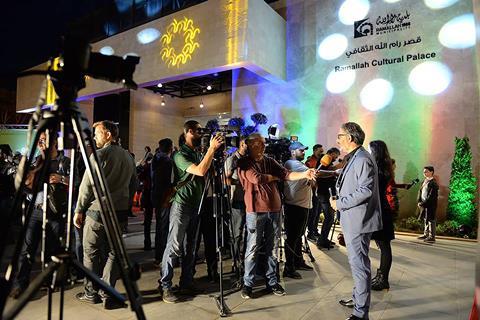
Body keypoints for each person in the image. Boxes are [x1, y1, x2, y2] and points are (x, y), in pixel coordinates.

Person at [237, 133, 316, 299]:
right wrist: (274, 177)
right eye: (260, 143)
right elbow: (256, 178)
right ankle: (248, 283)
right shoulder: (244, 163)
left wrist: (304, 174)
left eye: (264, 143)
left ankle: (272, 281)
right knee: (253, 248)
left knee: (273, 247)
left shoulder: (269, 161)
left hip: (274, 210)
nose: (264, 146)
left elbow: (286, 174)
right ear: (251, 145)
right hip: (255, 211)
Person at [74, 120, 137, 310]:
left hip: (97, 212)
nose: (94, 137)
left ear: (108, 134)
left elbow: (87, 186)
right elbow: (134, 184)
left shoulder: (99, 155)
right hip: (119, 213)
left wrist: (79, 209)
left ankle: (90, 292)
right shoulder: (128, 157)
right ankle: (108, 292)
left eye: (97, 133)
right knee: (114, 253)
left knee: (90, 252)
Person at [159, 120, 223, 304]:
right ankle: (165, 286)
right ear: (187, 132)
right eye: (197, 131)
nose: (200, 134)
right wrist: (211, 149)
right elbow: (201, 171)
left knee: (191, 248)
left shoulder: (197, 153)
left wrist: (213, 153)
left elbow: (210, 172)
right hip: (182, 205)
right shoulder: (180, 155)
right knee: (174, 246)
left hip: (197, 205)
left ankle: (186, 282)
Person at [330, 122, 382, 320]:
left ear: (350, 138)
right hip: (354, 219)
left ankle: (361, 313)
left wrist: (340, 203)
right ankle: (357, 299)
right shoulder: (356, 157)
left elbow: (365, 190)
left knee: (360, 266)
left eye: (340, 135)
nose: (337, 140)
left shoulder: (362, 159)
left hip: (358, 221)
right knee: (358, 265)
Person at [10, 131, 70, 298]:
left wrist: (62, 179)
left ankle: (50, 282)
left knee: (52, 250)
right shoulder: (36, 161)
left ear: (54, 143)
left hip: (55, 212)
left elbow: (77, 182)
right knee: (26, 249)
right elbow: (23, 185)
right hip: (35, 209)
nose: (41, 143)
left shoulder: (64, 162)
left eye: (44, 140)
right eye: (39, 141)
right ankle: (20, 284)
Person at [282, 141, 314, 279]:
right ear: (293, 152)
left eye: (304, 150)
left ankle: (298, 261)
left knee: (298, 236)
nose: (304, 152)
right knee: (292, 237)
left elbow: (312, 180)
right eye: (301, 150)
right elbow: (313, 174)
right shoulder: (291, 163)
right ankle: (289, 268)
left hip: (301, 205)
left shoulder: (300, 165)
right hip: (294, 206)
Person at [368, 140, 395, 291]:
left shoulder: (378, 169)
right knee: (383, 245)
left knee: (384, 246)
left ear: (375, 151)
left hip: (379, 209)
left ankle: (383, 279)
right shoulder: (384, 167)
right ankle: (381, 276)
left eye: (369, 150)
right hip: (381, 207)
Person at [150, 138, 174, 266]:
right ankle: (162, 256)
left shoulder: (155, 160)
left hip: (156, 197)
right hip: (165, 198)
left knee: (160, 227)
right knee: (164, 228)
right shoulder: (167, 162)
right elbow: (168, 182)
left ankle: (158, 256)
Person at [224, 137, 248, 264]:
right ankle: (236, 260)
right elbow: (226, 180)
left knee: (248, 232)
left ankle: (244, 258)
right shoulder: (232, 159)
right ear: (242, 144)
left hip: (249, 200)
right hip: (237, 200)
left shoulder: (248, 160)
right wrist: (243, 182)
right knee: (237, 232)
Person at [316, 147, 341, 249]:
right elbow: (319, 173)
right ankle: (322, 241)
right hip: (323, 193)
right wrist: (334, 172)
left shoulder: (329, 162)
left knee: (329, 217)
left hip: (328, 193)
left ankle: (324, 239)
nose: (336, 158)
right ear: (332, 153)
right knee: (329, 217)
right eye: (336, 155)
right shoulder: (325, 159)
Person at [305, 144, 324, 241]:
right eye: (320, 151)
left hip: (320, 190)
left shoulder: (321, 161)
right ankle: (310, 232)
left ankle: (315, 230)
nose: (322, 153)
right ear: (315, 150)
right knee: (313, 213)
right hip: (313, 191)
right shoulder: (310, 162)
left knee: (317, 212)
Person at [417, 166, 439, 243]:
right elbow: (420, 192)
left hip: (430, 205)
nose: (424, 173)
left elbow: (431, 196)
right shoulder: (425, 181)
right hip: (424, 204)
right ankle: (426, 234)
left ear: (431, 172)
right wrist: (419, 201)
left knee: (431, 219)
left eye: (426, 171)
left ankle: (432, 236)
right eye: (424, 172)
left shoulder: (433, 183)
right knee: (426, 219)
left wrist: (423, 203)